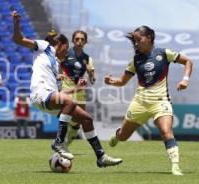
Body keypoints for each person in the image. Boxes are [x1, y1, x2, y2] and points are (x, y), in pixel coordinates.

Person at [12, 10, 122, 168]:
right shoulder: (45, 47)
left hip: (49, 96)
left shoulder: (56, 64)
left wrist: (76, 88)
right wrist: (16, 24)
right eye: (66, 47)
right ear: (62, 44)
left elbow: (60, 94)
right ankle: (59, 143)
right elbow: (19, 39)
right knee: (69, 103)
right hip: (40, 94)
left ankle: (101, 156)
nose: (66, 51)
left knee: (86, 118)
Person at [104, 26, 193, 175]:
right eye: (135, 40)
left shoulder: (164, 53)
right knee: (124, 137)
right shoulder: (135, 60)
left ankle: (175, 166)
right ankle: (118, 134)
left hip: (161, 102)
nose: (136, 43)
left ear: (149, 38)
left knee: (166, 132)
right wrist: (112, 81)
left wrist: (185, 79)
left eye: (139, 39)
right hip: (140, 103)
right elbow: (122, 81)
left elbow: (188, 62)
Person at [59, 30, 96, 148]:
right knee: (67, 117)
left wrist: (91, 74)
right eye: (77, 39)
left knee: (77, 122)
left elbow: (93, 80)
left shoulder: (88, 58)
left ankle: (65, 144)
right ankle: (60, 143)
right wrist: (58, 75)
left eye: (82, 39)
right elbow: (57, 66)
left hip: (80, 92)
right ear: (73, 40)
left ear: (85, 41)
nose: (79, 41)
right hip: (67, 89)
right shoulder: (65, 54)